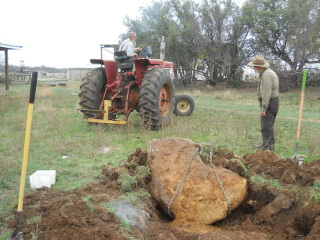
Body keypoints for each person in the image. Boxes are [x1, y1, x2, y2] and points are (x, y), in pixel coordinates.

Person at [248, 55, 279, 151]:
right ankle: (266, 144)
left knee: (266, 126)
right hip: (269, 102)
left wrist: (264, 108)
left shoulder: (266, 75)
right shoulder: (265, 73)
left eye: (254, 66)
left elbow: (267, 93)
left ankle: (269, 148)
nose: (253, 68)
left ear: (258, 67)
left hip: (269, 103)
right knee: (266, 125)